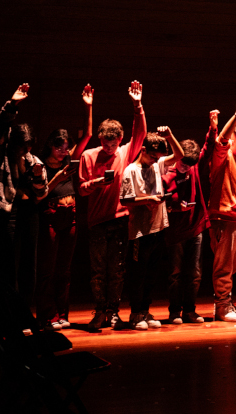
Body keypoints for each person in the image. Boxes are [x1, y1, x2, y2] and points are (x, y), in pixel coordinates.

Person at [77, 81, 147, 331]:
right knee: (98, 271)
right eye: (105, 144)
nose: (109, 148)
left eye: (113, 143)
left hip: (119, 220)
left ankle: (113, 312)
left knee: (117, 270)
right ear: (100, 140)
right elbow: (82, 190)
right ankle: (99, 311)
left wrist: (137, 105)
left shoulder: (126, 152)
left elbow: (140, 134)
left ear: (120, 140)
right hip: (97, 221)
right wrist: (96, 183)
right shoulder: (89, 156)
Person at [33, 85, 93, 330]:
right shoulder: (40, 166)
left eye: (66, 147)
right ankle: (47, 315)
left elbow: (87, 135)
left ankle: (62, 314)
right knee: (47, 269)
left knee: (64, 270)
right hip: (50, 218)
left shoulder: (70, 160)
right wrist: (57, 178)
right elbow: (41, 194)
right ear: (50, 146)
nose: (64, 151)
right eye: (59, 147)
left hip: (71, 217)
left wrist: (88, 106)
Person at [120, 126, 187, 330]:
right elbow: (125, 200)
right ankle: (135, 313)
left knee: (152, 272)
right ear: (143, 150)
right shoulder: (131, 170)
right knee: (138, 274)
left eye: (157, 156)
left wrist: (169, 135)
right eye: (151, 155)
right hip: (139, 232)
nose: (154, 159)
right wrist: (148, 199)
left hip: (158, 227)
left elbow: (179, 155)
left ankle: (145, 311)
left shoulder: (157, 165)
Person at [0, 83, 44, 303]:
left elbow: (43, 191)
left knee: (29, 263)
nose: (27, 150)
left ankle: (24, 312)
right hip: (8, 213)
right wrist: (11, 105)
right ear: (14, 144)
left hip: (29, 212)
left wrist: (39, 177)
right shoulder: (1, 155)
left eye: (30, 146)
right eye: (23, 146)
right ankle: (7, 312)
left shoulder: (33, 160)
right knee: (8, 263)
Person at [204, 100, 236, 322]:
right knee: (224, 265)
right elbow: (221, 140)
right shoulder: (221, 158)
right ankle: (222, 305)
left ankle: (226, 303)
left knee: (233, 266)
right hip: (223, 217)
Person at [162, 129, 210, 325]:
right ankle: (174, 312)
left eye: (189, 165)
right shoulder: (165, 171)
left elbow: (208, 149)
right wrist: (174, 207)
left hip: (195, 227)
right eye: (183, 163)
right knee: (175, 273)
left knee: (195, 273)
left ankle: (190, 310)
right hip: (175, 232)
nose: (185, 168)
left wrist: (212, 127)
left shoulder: (194, 167)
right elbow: (158, 202)